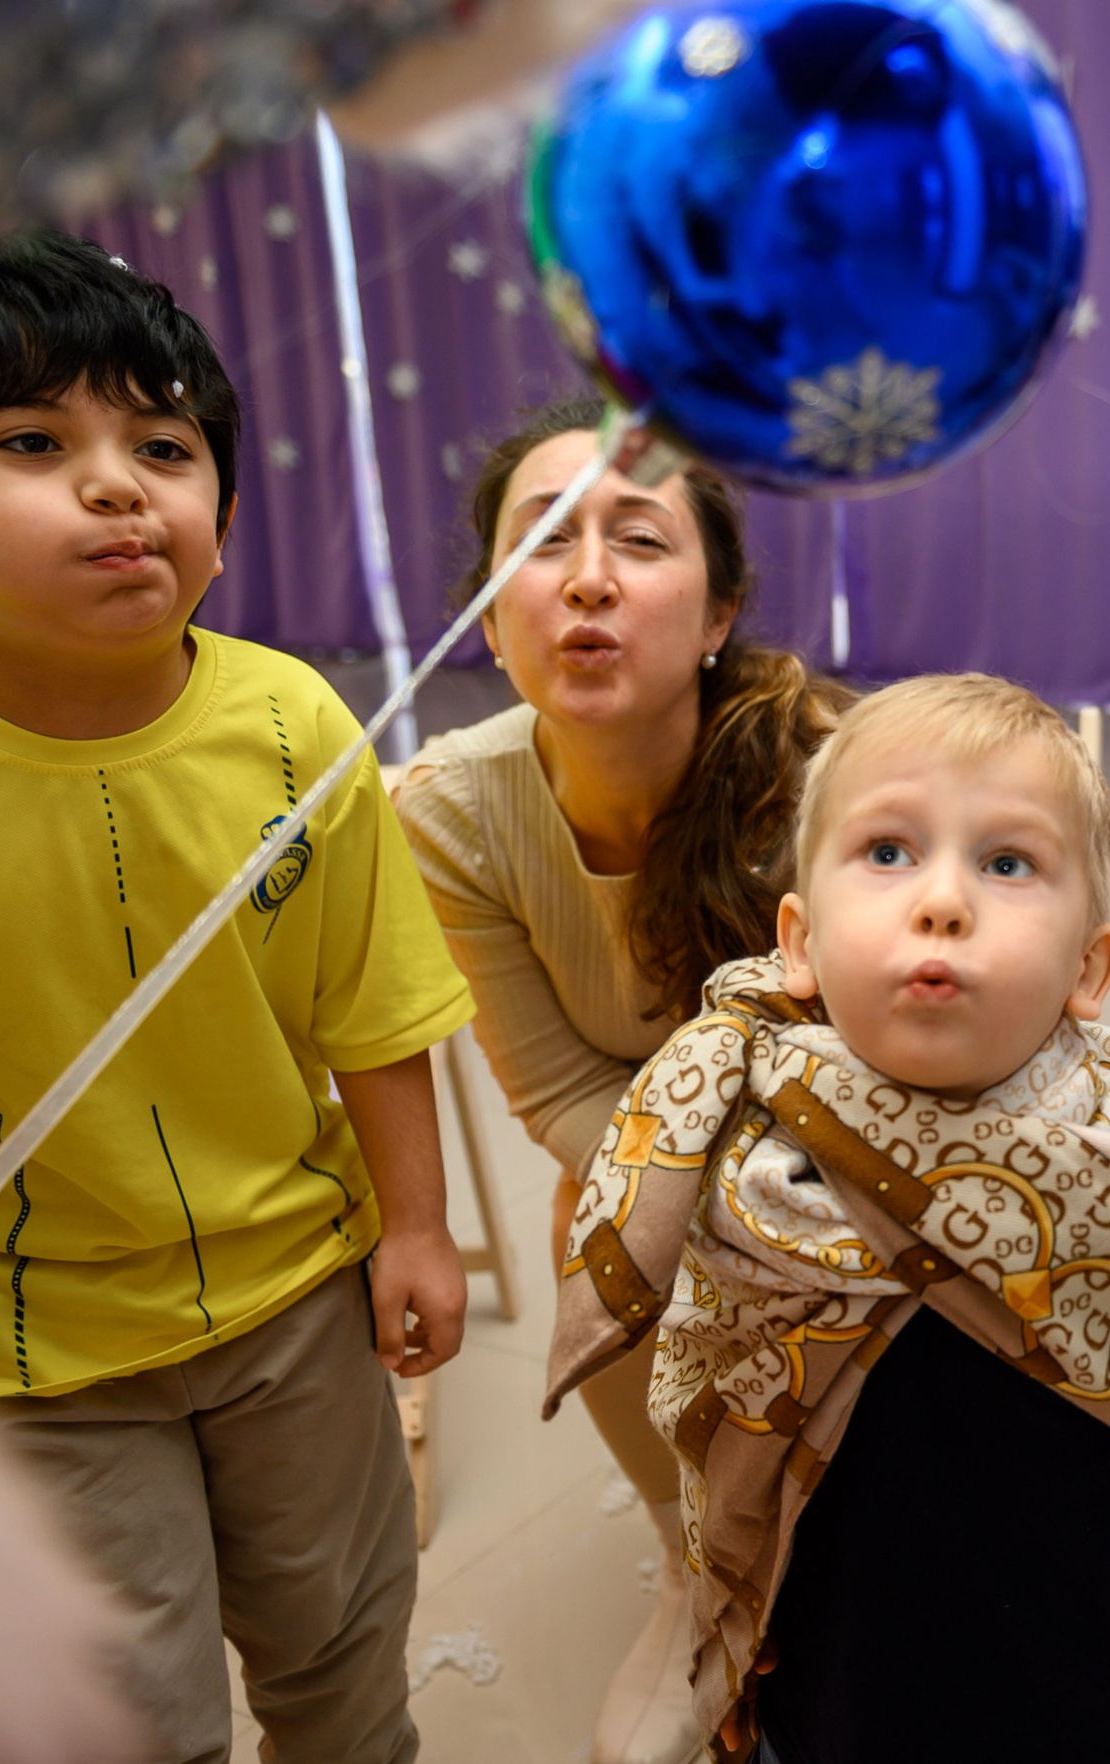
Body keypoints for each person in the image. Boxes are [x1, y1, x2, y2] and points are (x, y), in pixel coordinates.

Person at [544, 673, 1110, 1764]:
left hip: (1069, 1697)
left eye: (1007, 863)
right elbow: (716, 1400)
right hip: (828, 1688)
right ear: (797, 944)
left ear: (1089, 970)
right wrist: (736, 1579)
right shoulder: (749, 1156)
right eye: (889, 851)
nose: (942, 899)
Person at [0, 229, 470, 1762]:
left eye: (164, 447)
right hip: (26, 1357)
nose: (118, 485)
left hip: (292, 1307)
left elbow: (370, 1006)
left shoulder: (290, 721)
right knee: (128, 1722)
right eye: (34, 442)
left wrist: (417, 1221)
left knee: (339, 1662)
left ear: (224, 520)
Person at [393, 398, 850, 1764]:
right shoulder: (450, 810)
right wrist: (692, 1207)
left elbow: (908, 1062)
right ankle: (701, 1560)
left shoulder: (826, 774)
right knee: (584, 1221)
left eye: (637, 540)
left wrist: (775, 1207)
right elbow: (548, 1090)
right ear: (489, 619)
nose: (585, 576)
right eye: (541, 541)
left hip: (857, 1147)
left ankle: (824, 1531)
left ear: (717, 617)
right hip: (666, 1158)